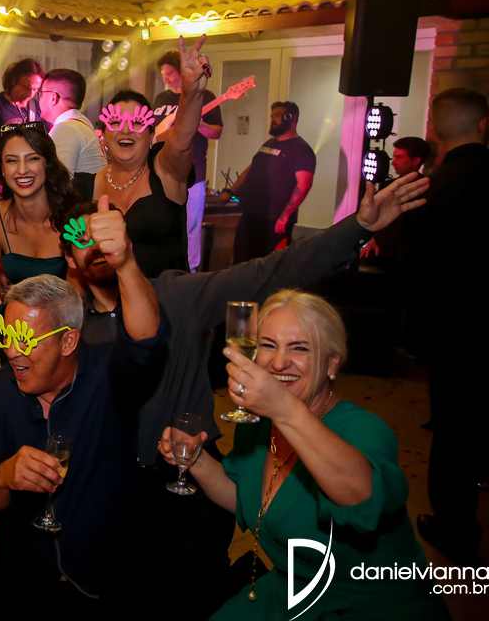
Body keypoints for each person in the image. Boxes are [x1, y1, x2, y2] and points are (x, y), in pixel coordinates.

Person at [63, 173, 431, 619]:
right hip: (114, 480)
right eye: (81, 238)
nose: (97, 245)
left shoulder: (179, 296)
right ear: (68, 256)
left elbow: (273, 272)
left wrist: (359, 227)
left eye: (107, 232)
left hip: (188, 482)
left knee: (192, 591)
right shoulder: (70, 331)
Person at [160, 290, 450, 620]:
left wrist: (285, 410)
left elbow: (362, 497)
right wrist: (196, 458)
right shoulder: (258, 427)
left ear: (332, 363)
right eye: (268, 345)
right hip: (295, 588)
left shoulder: (363, 430)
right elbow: (244, 498)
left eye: (300, 348)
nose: (279, 362)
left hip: (373, 605)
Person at [0, 261, 168, 617]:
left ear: (68, 341)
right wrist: (4, 476)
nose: (11, 351)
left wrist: (124, 263)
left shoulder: (109, 374)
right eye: (6, 336)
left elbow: (148, 344)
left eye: (26, 339)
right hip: (21, 578)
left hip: (101, 581)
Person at [407, 88, 489, 564]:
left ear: (436, 130)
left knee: (455, 428)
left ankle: (454, 526)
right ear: (483, 125)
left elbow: (414, 255)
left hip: (453, 325)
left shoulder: (433, 185)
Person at [93, 35, 210, 276]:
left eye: (137, 123)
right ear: (103, 133)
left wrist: (190, 94)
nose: (126, 129)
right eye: (115, 122)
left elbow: (181, 141)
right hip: (108, 298)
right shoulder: (88, 183)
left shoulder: (165, 172)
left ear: (151, 135)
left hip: (164, 296)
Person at [0, 125, 77, 306]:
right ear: (2, 169)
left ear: (48, 164)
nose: (22, 170)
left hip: (64, 319)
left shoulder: (74, 215)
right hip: (15, 321)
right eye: (12, 160)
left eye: (32, 158)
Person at [152, 48, 224, 272]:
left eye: (170, 73)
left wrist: (199, 124)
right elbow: (154, 132)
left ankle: (190, 271)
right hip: (160, 170)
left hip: (193, 172)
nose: (166, 78)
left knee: (190, 226)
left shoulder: (205, 96)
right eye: (163, 74)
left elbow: (217, 132)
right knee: (161, 223)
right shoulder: (161, 98)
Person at [222, 101, 316, 263]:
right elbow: (252, 167)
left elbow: (304, 184)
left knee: (268, 265)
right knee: (241, 262)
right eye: (272, 116)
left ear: (290, 118)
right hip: (251, 214)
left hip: (274, 221)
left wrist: (285, 216)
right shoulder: (269, 144)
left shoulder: (301, 149)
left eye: (278, 116)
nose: (273, 120)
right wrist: (231, 191)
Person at [36, 67, 106, 201]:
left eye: (41, 94)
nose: (39, 100)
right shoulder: (79, 124)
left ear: (53, 98)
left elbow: (58, 187)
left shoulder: (65, 129)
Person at [360, 136, 430, 260]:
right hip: (383, 248)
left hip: (411, 252)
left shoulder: (427, 188)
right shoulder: (387, 186)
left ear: (416, 161)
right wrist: (372, 239)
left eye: (399, 157)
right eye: (394, 157)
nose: (393, 163)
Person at [0, 58, 47, 166]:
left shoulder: (38, 107)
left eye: (35, 89)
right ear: (13, 81)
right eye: (26, 87)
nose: (30, 94)